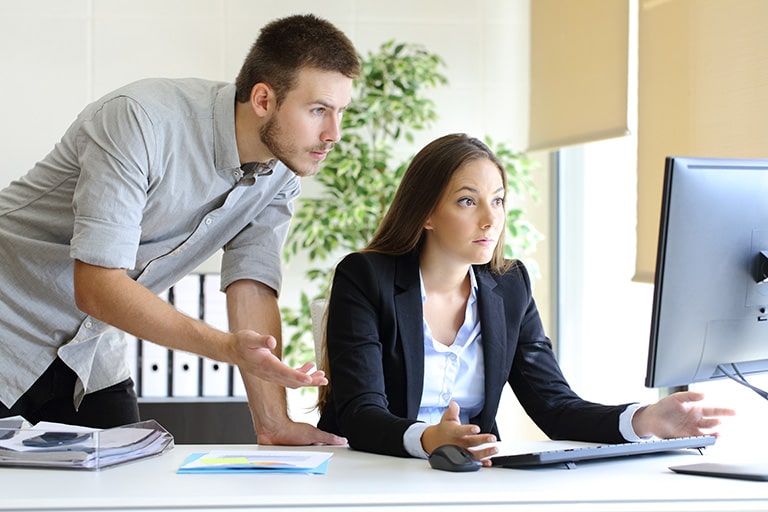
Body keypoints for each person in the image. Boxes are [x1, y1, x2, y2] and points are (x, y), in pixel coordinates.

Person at [0, 13, 359, 446]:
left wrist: (273, 422)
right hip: (10, 321)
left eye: (339, 112)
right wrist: (225, 347)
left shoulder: (281, 175)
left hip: (89, 350)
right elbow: (97, 285)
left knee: (127, 484)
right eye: (319, 110)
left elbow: (252, 285)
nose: (334, 133)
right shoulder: (140, 120)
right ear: (264, 99)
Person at [316, 133, 735, 464]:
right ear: (425, 213)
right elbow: (360, 414)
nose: (490, 218)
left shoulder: (509, 285)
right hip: (371, 472)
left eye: (498, 200)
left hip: (469, 476)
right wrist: (428, 439)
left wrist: (646, 419)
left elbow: (554, 405)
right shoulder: (365, 277)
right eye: (468, 201)